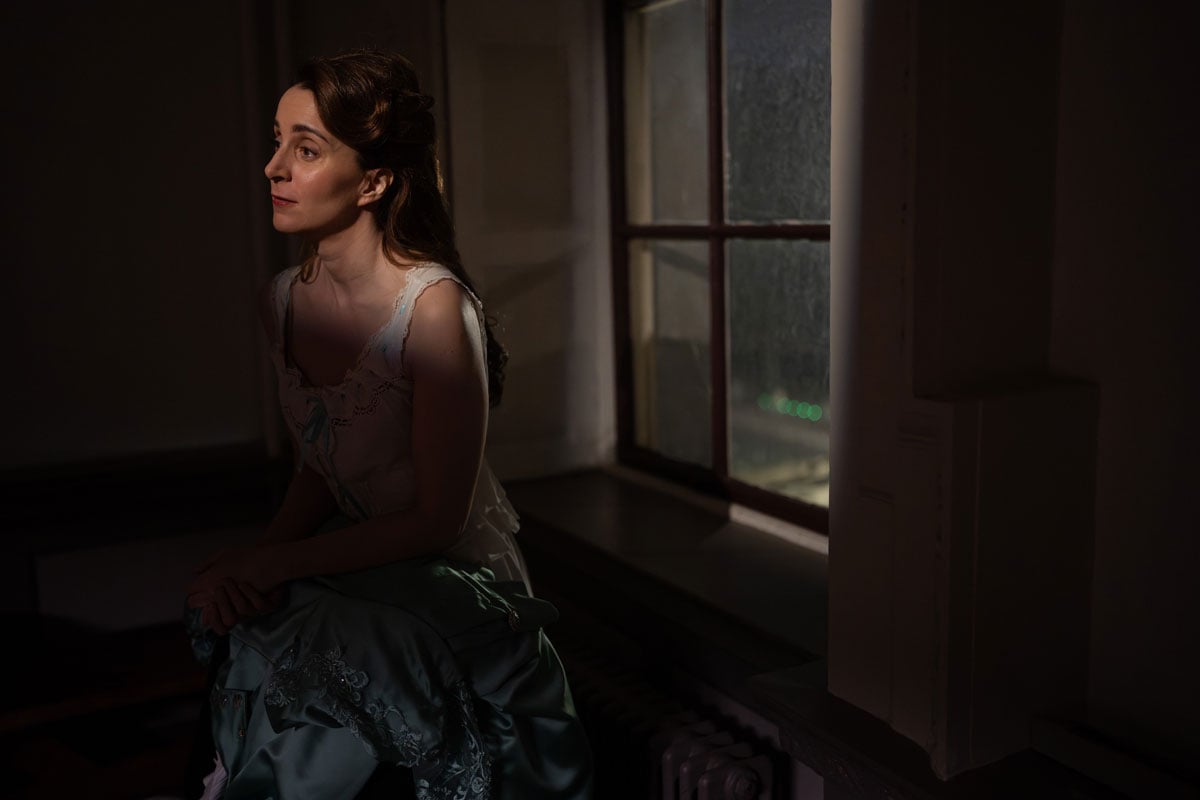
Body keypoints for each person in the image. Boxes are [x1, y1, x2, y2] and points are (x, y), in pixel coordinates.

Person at [183, 50, 592, 799]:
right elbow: (321, 464)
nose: (273, 167)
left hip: (447, 578)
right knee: (254, 637)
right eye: (276, 140)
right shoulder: (281, 301)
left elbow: (438, 520)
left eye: (306, 149)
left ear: (372, 182)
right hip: (347, 559)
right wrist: (256, 561)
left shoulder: (433, 309)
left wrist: (277, 565)